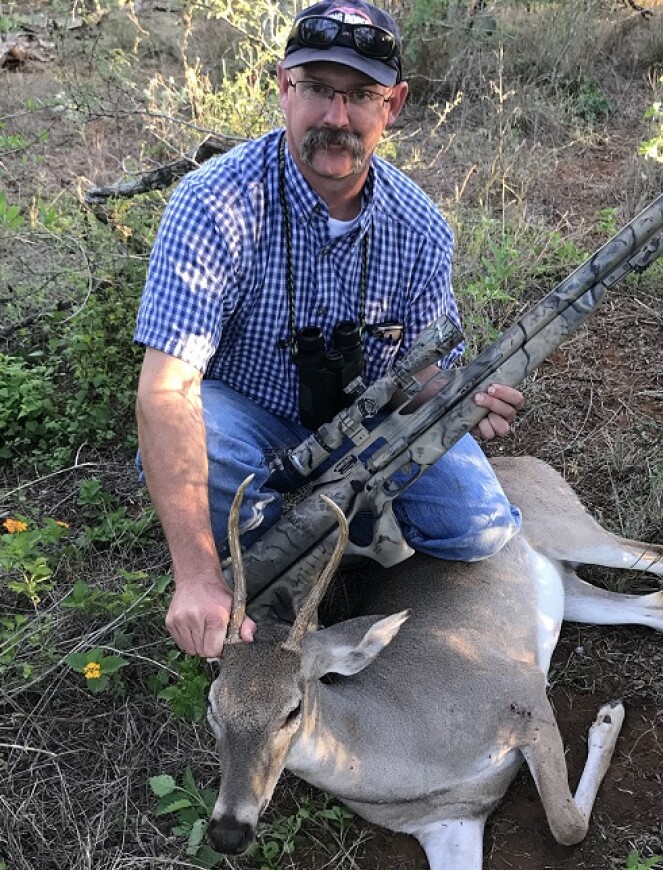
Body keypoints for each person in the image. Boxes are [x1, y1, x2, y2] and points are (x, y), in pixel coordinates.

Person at [134, 0, 524, 659]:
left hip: (369, 426)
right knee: (210, 451)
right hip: (248, 411)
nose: (335, 118)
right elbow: (166, 390)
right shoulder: (213, 202)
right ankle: (277, 539)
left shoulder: (421, 228)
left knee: (476, 529)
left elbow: (430, 374)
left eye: (360, 96)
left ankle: (345, 530)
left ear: (392, 106)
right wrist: (198, 576)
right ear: (284, 87)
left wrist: (466, 400)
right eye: (317, 89)